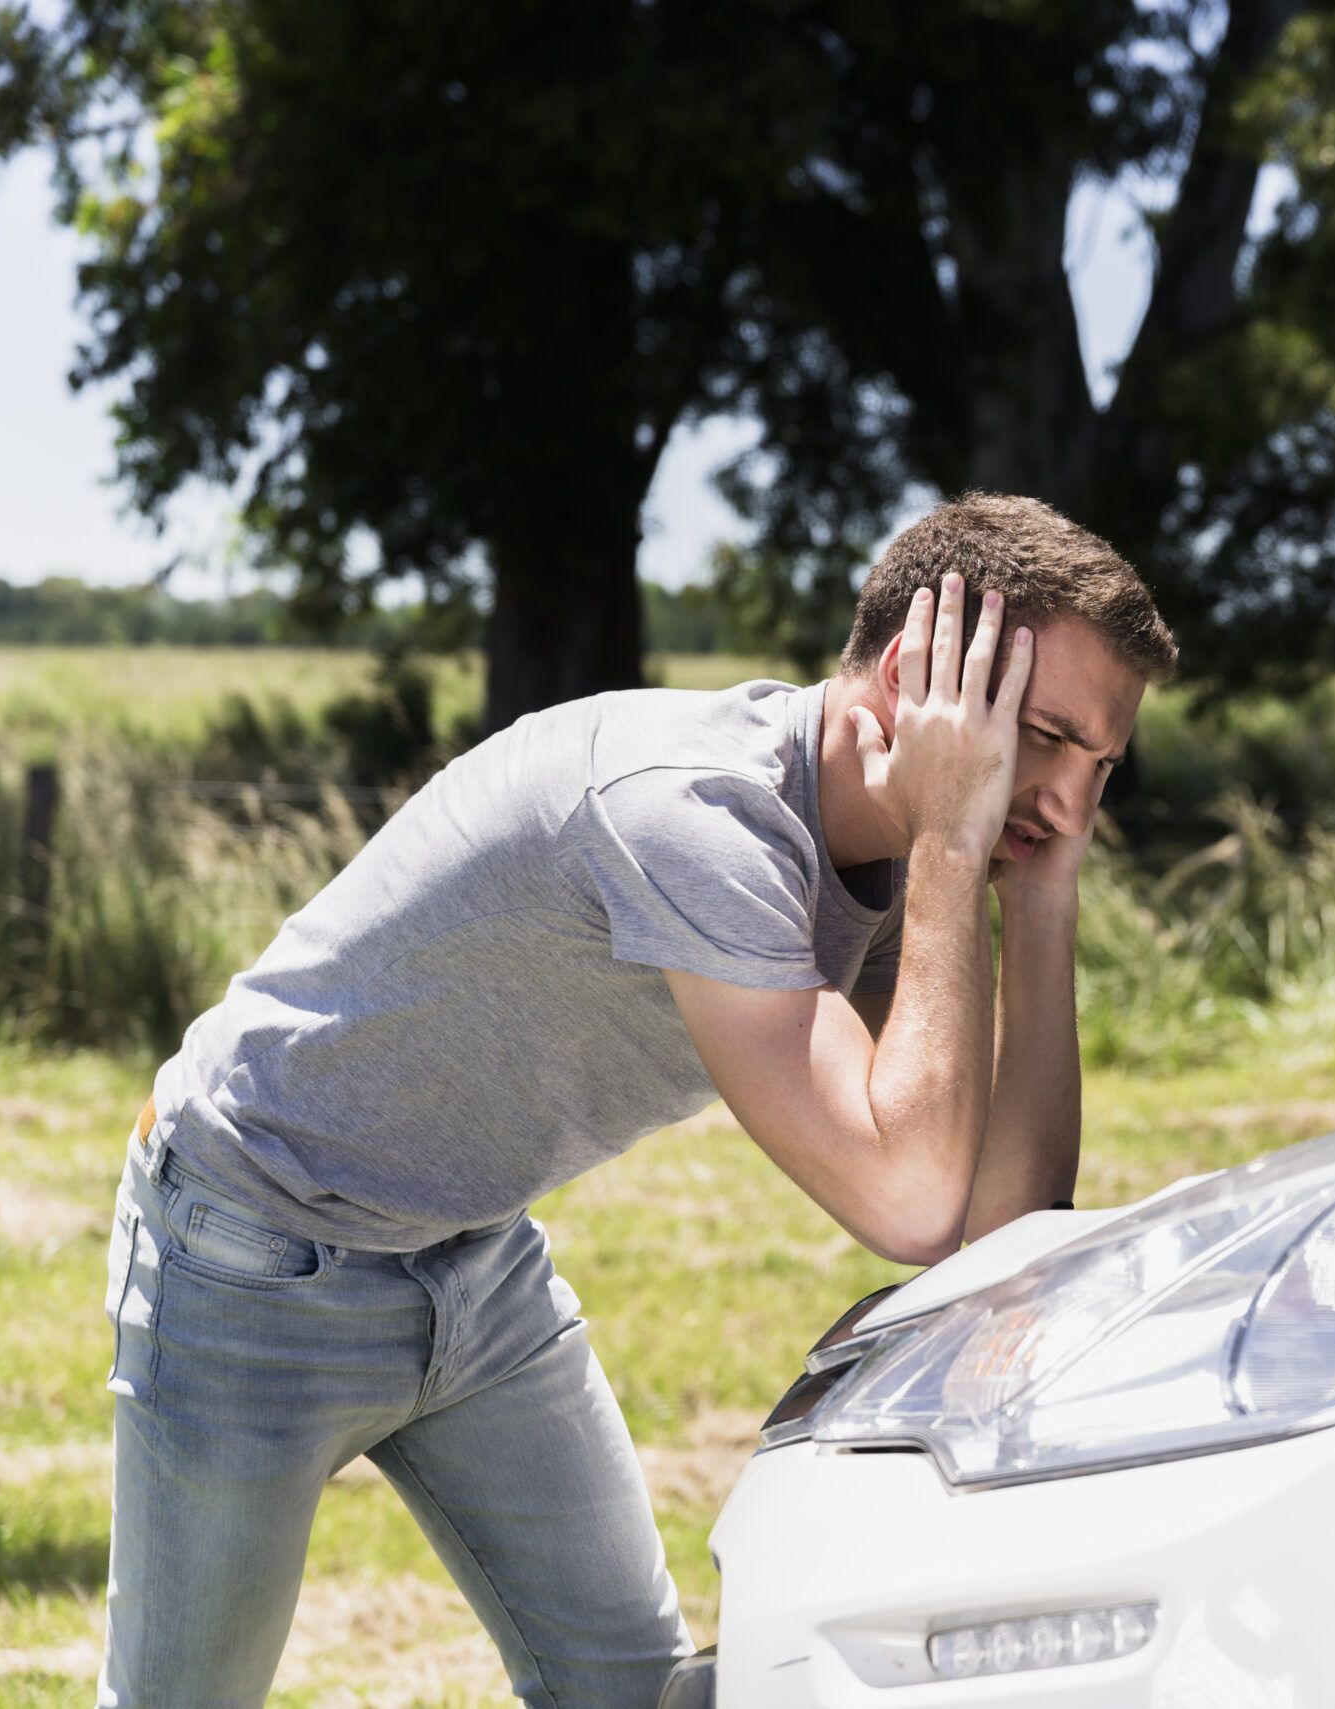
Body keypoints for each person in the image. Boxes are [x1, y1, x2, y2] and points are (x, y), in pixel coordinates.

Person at [96, 493, 1176, 1707]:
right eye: (1041, 736)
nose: (1070, 802)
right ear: (913, 680)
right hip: (251, 1240)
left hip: (471, 1251)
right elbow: (913, 1200)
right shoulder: (695, 813)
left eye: (1099, 765)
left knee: (628, 1690)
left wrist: (1040, 897)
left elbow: (996, 1234)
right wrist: (952, 846)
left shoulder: (881, 852)